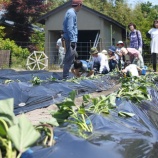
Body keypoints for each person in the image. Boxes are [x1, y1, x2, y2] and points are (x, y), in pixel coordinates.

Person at [62, 0, 83, 79]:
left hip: (69, 38)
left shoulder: (70, 12)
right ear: (79, 5)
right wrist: (73, 41)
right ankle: (66, 76)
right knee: (69, 58)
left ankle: (66, 75)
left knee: (70, 58)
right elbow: (70, 28)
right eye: (81, 6)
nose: (81, 8)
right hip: (70, 39)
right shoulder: (72, 13)